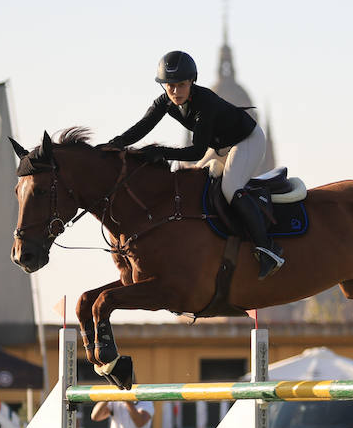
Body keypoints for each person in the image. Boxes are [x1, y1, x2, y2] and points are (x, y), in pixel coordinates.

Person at [109, 50, 285, 279]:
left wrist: (160, 152)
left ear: (192, 81)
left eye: (181, 85)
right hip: (221, 145)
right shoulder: (166, 101)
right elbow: (143, 126)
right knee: (194, 183)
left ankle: (268, 249)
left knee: (230, 188)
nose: (175, 91)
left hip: (246, 141)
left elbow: (197, 150)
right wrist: (114, 144)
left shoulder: (206, 102)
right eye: (169, 85)